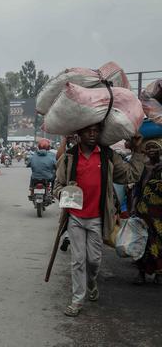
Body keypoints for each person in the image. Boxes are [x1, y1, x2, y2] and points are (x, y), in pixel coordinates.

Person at [53, 123, 144, 317]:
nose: (92, 134)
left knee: (93, 260)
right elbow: (57, 186)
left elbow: (131, 174)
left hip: (98, 218)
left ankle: (92, 282)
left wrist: (137, 152)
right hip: (75, 217)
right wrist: (65, 192)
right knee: (78, 260)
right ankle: (77, 300)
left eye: (96, 130)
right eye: (88, 130)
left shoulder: (108, 156)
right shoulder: (69, 157)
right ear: (79, 133)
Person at [131, 140, 162, 285]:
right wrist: (133, 206)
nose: (152, 150)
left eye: (155, 148)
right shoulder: (143, 167)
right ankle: (141, 273)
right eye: (149, 148)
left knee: (159, 242)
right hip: (143, 210)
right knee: (142, 241)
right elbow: (137, 189)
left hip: (159, 213)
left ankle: (159, 273)